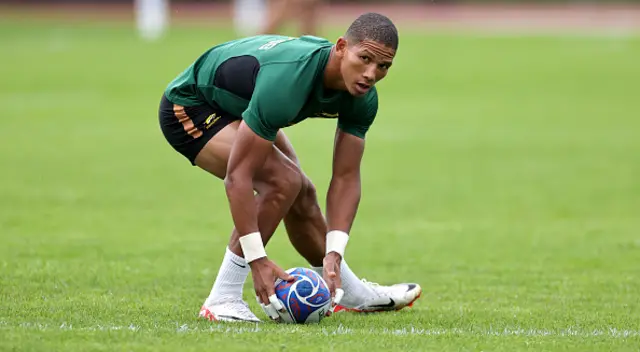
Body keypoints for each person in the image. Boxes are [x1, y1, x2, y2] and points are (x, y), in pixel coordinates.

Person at [158, 12, 422, 322]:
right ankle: (223, 297)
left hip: (244, 105)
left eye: (383, 66)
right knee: (283, 181)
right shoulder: (287, 82)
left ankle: (346, 290)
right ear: (340, 47)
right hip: (192, 105)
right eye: (364, 58)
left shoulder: (362, 98)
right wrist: (258, 260)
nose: (370, 74)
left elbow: (346, 177)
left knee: (301, 191)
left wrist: (334, 251)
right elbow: (237, 178)